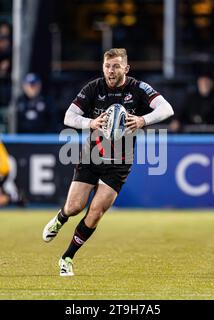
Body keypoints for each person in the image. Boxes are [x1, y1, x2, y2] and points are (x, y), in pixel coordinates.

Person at [41, 48, 174, 276]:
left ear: (126, 68)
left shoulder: (138, 88)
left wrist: (143, 119)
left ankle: (67, 257)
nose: (111, 71)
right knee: (75, 207)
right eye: (107, 66)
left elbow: (167, 109)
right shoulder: (93, 88)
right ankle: (61, 217)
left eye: (116, 66)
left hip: (120, 162)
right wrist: (90, 123)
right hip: (92, 155)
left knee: (96, 212)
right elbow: (68, 117)